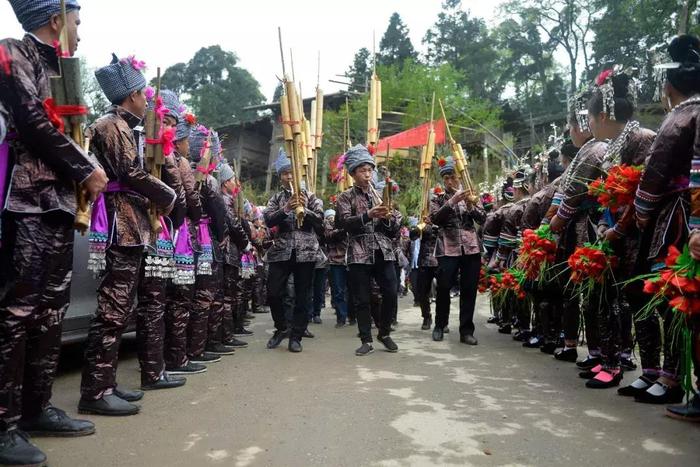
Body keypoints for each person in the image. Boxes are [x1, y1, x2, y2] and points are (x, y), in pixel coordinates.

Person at [0, 1, 107, 463]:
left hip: (61, 204)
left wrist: (82, 171)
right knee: (19, 308)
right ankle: (2, 425)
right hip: (25, 200)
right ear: (56, 20)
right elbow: (32, 119)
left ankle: (37, 407)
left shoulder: (64, 69)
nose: (80, 34)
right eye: (77, 23)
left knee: (50, 308)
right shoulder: (13, 53)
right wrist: (86, 168)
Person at [78, 53, 176, 416]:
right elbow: (130, 173)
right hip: (120, 223)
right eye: (142, 92)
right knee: (112, 308)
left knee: (123, 308)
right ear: (131, 95)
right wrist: (168, 194)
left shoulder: (126, 126)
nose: (147, 97)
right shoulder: (111, 126)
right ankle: (95, 391)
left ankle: (107, 381)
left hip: (132, 222)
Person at [633, 35, 700, 406]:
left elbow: (654, 172)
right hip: (685, 213)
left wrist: (642, 212)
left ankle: (672, 377)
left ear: (670, 85)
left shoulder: (680, 116)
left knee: (674, 299)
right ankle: (670, 374)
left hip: (676, 217)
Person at [581, 69, 655, 389]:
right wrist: (602, 223)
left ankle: (654, 372)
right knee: (612, 299)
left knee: (640, 300)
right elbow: (604, 197)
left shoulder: (642, 140)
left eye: (591, 117)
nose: (589, 125)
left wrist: (620, 229)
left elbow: (642, 193)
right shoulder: (611, 148)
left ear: (604, 114)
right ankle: (611, 362)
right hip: (613, 234)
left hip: (638, 234)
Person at [134, 90, 188, 392]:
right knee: (150, 302)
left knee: (156, 301)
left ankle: (155, 370)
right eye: (164, 120)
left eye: (172, 122)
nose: (168, 127)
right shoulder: (140, 139)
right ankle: (150, 372)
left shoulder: (165, 150)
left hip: (162, 228)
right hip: (140, 227)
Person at [549, 89, 607, 364]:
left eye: (571, 125)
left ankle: (606, 355)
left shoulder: (594, 149)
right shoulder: (592, 148)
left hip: (594, 227)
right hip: (586, 227)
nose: (571, 131)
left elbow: (570, 195)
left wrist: (555, 223)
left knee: (595, 294)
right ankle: (598, 353)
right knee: (583, 293)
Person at [336, 145, 402, 356]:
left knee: (391, 292)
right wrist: (368, 216)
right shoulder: (345, 197)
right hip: (358, 251)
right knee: (362, 298)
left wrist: (389, 219)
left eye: (370, 170)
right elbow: (344, 223)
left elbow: (393, 230)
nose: (367, 174)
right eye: (362, 171)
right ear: (353, 173)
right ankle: (366, 339)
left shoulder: (380, 195)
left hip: (383, 250)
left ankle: (384, 332)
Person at [264, 149, 324, 353]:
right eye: (285, 173)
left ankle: (296, 336)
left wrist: (304, 210)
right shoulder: (276, 198)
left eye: (292, 172)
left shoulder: (312, 197)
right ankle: (281, 328)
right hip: (281, 251)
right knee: (273, 293)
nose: (289, 176)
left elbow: (320, 221)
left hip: (306, 252)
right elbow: (268, 219)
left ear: (299, 174)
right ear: (280, 177)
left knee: (302, 295)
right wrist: (287, 208)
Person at [430, 157, 486, 345]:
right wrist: (452, 202)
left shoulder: (471, 194)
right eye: (445, 178)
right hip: (448, 247)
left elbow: (483, 218)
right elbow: (435, 219)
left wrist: (470, 205)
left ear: (459, 178)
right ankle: (440, 325)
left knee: (469, 289)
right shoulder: (438, 199)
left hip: (471, 247)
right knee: (444, 287)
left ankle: (466, 331)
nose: (449, 182)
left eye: (452, 177)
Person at [409, 210, 438, 331]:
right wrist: (421, 226)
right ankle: (426, 316)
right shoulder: (422, 224)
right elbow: (412, 236)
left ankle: (442, 321)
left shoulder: (441, 223)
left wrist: (433, 224)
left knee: (442, 291)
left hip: (440, 259)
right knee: (422, 291)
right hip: (425, 261)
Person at [324, 209, 349, 327]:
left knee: (354, 290)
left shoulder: (354, 218)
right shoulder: (329, 224)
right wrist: (342, 229)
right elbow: (328, 236)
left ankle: (353, 315)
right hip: (336, 260)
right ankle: (341, 317)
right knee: (338, 291)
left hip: (354, 259)